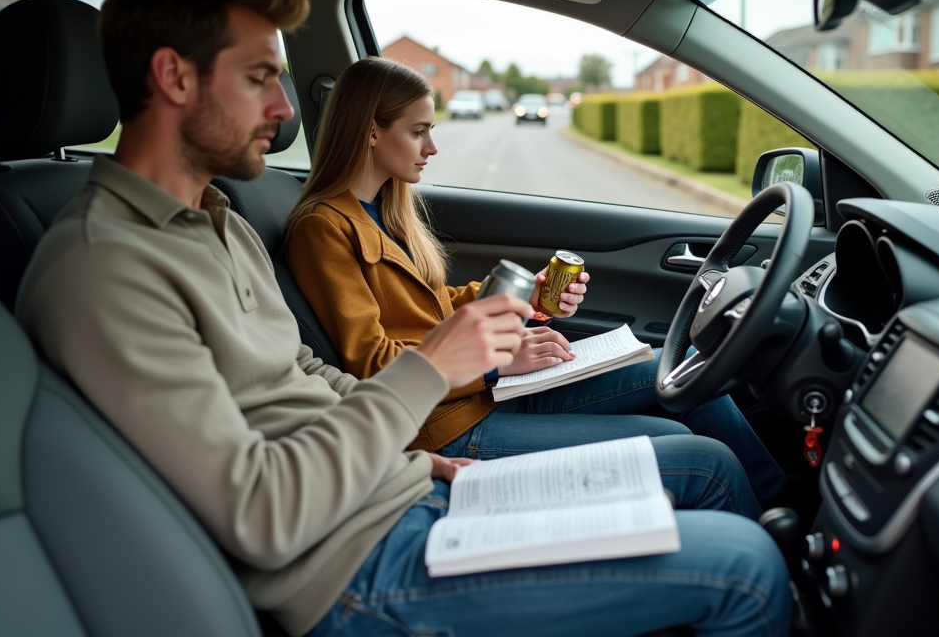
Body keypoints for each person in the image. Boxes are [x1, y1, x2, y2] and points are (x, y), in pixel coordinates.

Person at [17, 0, 789, 637]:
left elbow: (304, 378)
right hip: (355, 573)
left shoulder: (214, 221)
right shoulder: (103, 266)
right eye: (260, 79)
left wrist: (427, 471)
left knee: (706, 469)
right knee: (744, 564)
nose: (287, 110)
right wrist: (437, 371)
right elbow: (259, 512)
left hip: (403, 495)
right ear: (174, 76)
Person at [284, 57, 785, 507]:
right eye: (418, 132)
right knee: (683, 445)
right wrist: (495, 364)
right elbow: (371, 364)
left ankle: (780, 505)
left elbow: (434, 308)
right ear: (372, 132)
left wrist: (533, 301)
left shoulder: (389, 211)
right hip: (444, 426)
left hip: (485, 392)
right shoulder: (323, 227)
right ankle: (778, 539)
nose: (432, 147)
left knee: (683, 370)